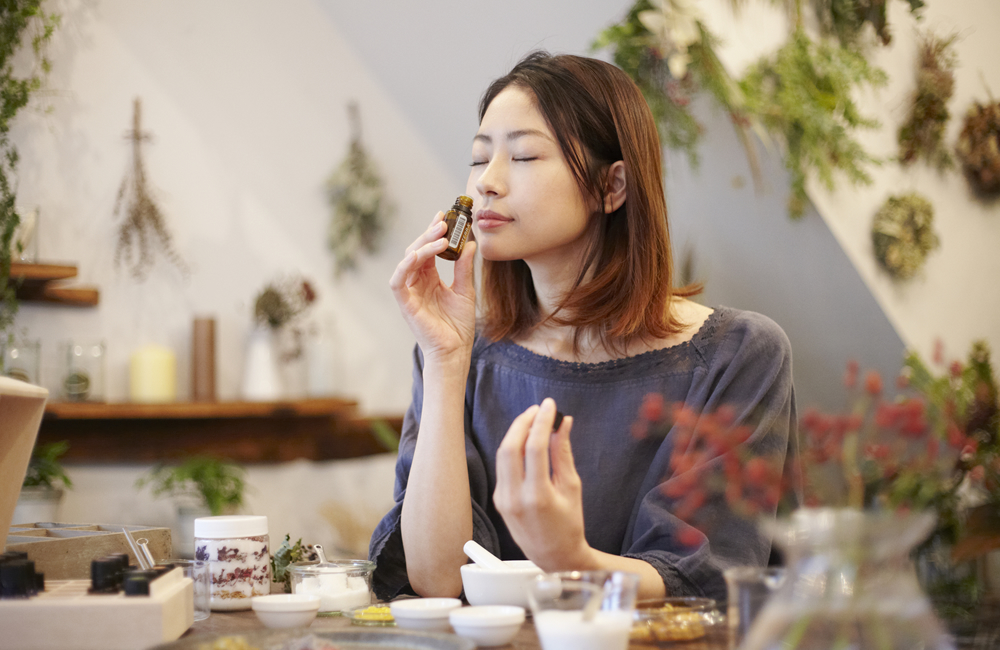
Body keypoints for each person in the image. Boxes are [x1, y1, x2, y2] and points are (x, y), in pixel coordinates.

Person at [369, 51, 796, 603]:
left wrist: (568, 557)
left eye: (523, 155)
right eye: (479, 159)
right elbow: (438, 579)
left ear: (611, 187)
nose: (487, 184)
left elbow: (709, 585)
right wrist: (447, 361)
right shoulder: (461, 355)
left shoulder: (738, 355)